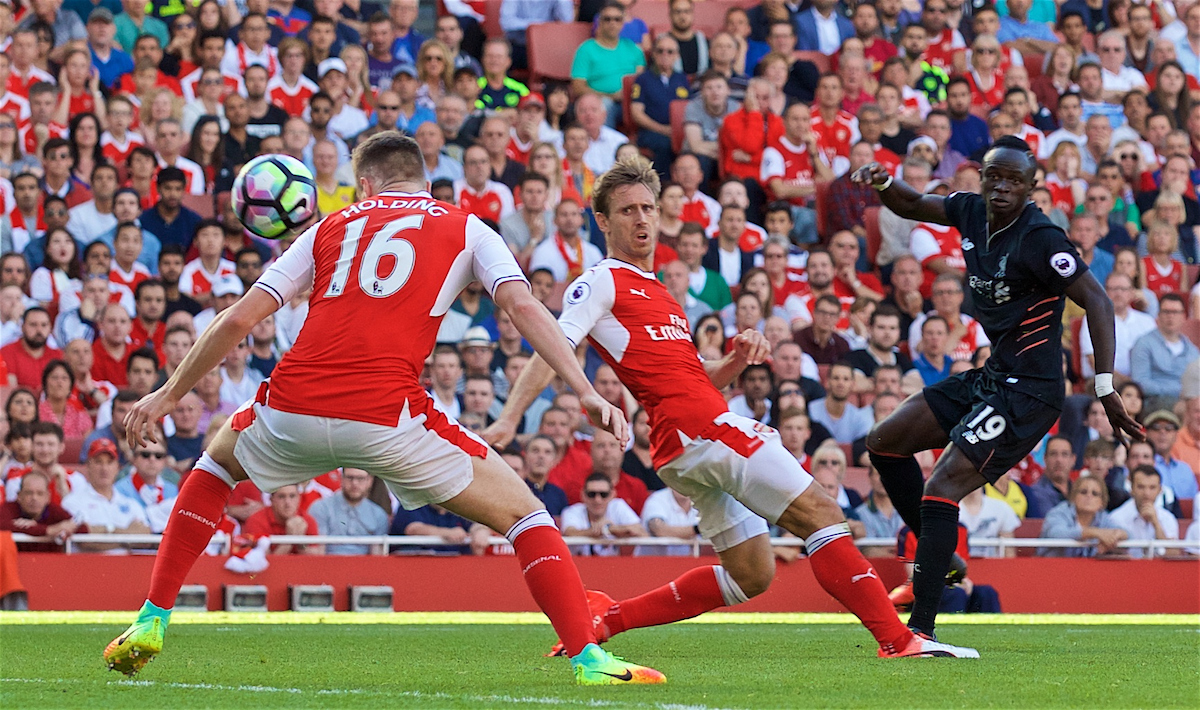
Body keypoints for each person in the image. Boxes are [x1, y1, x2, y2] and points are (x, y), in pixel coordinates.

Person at [104, 132, 663, 685]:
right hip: (388, 417)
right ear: (423, 177)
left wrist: (168, 394)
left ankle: (152, 617)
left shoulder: (328, 225)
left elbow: (237, 320)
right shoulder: (468, 227)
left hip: (294, 403)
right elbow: (522, 307)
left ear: (364, 184)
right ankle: (588, 660)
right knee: (526, 517)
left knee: (216, 464)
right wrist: (584, 388)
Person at [489, 156, 978, 659]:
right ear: (604, 221)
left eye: (648, 208)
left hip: (682, 445)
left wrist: (735, 360)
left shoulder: (658, 291)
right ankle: (899, 639)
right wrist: (509, 418)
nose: (641, 219)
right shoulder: (602, 281)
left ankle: (607, 618)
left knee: (751, 574)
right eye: (628, 210)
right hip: (698, 430)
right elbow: (553, 342)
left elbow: (693, 375)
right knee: (822, 511)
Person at [855, 135, 1143, 643]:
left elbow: (1097, 299)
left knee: (941, 486)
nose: (1003, 187)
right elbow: (914, 203)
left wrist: (1104, 387)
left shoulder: (1041, 238)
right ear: (982, 179)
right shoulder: (970, 212)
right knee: (883, 441)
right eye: (995, 177)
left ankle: (919, 631)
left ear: (1032, 187)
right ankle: (942, 555)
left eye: (1014, 180)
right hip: (992, 377)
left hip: (1029, 392)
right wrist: (883, 182)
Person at [305, 468, 389, 555]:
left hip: (365, 566)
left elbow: (378, 556)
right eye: (350, 477)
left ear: (370, 481)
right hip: (327, 565)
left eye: (360, 478)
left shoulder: (379, 514)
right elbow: (318, 550)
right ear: (341, 479)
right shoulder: (321, 508)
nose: (354, 483)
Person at [1039, 476, 1127, 557]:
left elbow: (1128, 534)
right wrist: (1093, 532)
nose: (1089, 496)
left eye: (1095, 494)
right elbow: (1056, 534)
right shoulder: (1059, 512)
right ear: (1073, 497)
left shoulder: (1102, 517)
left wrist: (1116, 536)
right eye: (1083, 492)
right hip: (1051, 567)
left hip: (1089, 570)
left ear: (1102, 502)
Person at [0, 470, 85, 552]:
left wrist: (36, 526)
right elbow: (3, 525)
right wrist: (49, 530)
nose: (34, 498)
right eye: (28, 493)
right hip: (14, 563)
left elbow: (82, 529)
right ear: (19, 496)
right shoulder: (9, 508)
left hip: (51, 563)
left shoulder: (54, 510)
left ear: (48, 497)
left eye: (40, 493)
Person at [1107, 465, 1179, 558]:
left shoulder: (1168, 518)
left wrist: (1156, 524)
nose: (1146, 493)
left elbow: (1173, 555)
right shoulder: (1116, 518)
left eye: (1152, 487)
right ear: (1131, 489)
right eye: (1141, 487)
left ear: (1160, 490)